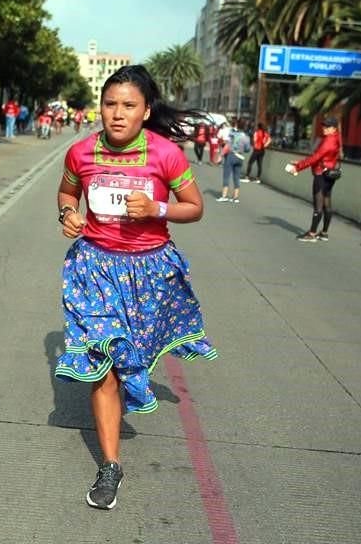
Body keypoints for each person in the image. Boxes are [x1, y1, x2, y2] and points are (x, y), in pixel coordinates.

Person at [54, 64, 218, 511]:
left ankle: (132, 376)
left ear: (146, 111)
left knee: (134, 358)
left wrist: (155, 207)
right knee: (104, 363)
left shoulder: (166, 155)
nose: (117, 114)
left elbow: (195, 208)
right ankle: (110, 466)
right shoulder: (81, 153)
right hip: (95, 270)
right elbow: (68, 194)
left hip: (150, 274)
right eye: (110, 104)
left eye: (129, 105)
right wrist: (68, 215)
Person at [284, 115, 342, 241]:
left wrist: (298, 167)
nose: (324, 128)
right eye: (324, 125)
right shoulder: (337, 139)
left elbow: (316, 157)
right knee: (327, 204)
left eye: (328, 126)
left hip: (321, 174)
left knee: (318, 205)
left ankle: (312, 234)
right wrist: (299, 162)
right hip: (330, 174)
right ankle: (324, 233)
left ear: (334, 128)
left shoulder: (328, 141)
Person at [216, 119, 251, 203]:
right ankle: (235, 197)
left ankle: (224, 196)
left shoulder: (233, 134)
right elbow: (247, 149)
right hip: (240, 157)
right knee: (237, 177)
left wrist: (220, 156)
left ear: (237, 125)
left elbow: (227, 145)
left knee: (226, 176)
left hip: (231, 155)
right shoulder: (246, 137)